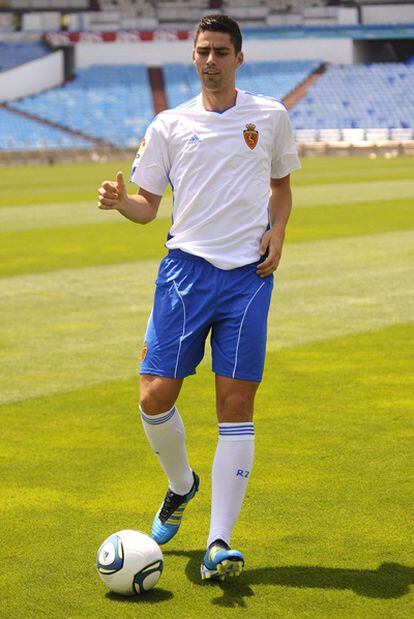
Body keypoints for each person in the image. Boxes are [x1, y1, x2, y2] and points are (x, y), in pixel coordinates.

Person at [98, 14, 301, 581]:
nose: (210, 60)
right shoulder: (168, 123)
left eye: (220, 51)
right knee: (154, 397)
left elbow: (281, 188)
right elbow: (147, 207)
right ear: (193, 57)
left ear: (239, 57)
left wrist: (277, 232)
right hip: (185, 274)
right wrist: (120, 203)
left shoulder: (270, 116)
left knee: (235, 407)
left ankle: (218, 543)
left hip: (247, 278)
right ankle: (181, 483)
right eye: (202, 51)